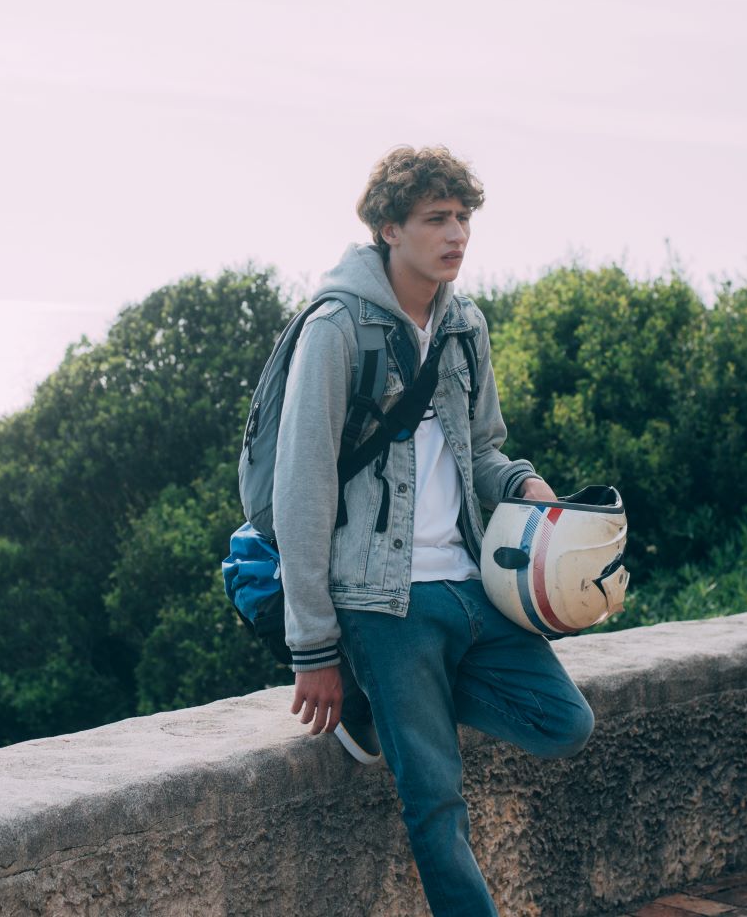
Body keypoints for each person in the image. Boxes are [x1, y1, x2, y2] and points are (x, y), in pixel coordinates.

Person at [274, 145, 595, 916]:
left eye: (463, 218)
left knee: (565, 722)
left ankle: (381, 701)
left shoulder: (464, 325)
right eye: (436, 219)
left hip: (469, 586)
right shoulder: (337, 328)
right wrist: (314, 647)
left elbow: (481, 448)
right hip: (383, 601)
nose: (456, 235)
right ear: (390, 228)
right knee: (435, 798)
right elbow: (302, 488)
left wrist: (523, 484)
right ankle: (379, 687)